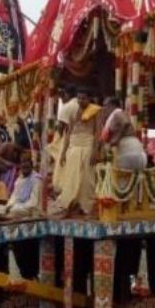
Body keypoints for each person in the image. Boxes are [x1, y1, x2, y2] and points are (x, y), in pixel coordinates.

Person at [54, 88, 100, 217]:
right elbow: (69, 132)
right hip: (74, 146)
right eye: (79, 98)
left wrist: (95, 151)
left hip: (88, 145)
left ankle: (88, 207)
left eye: (83, 98)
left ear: (89, 99)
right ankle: (70, 205)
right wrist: (63, 152)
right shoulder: (73, 110)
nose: (81, 101)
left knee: (87, 177)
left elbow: (97, 133)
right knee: (71, 176)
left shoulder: (95, 111)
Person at [0, 156, 42, 223]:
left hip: (28, 208)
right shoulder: (19, 179)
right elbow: (14, 196)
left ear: (31, 167)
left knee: (15, 210)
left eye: (27, 167)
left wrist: (15, 207)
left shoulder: (36, 179)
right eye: (23, 168)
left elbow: (33, 202)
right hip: (15, 206)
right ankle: (6, 216)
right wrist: (9, 206)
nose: (25, 170)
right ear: (21, 167)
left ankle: (8, 217)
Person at [101, 98, 147, 170]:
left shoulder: (118, 113)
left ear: (113, 106)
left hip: (130, 151)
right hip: (129, 152)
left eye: (106, 105)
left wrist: (117, 138)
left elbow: (126, 123)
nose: (104, 108)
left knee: (122, 179)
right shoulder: (113, 117)